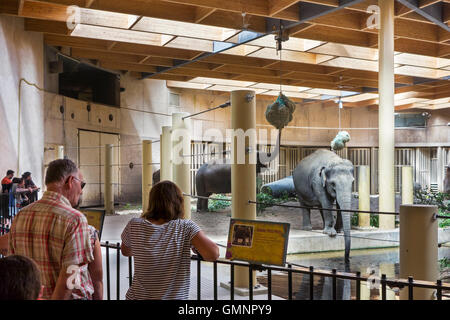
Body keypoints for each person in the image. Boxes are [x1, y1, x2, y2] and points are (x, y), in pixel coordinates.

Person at [8, 159, 94, 300]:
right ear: (70, 181)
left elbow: (15, 267)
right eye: (82, 184)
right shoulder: (75, 219)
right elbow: (70, 277)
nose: (81, 191)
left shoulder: (21, 215)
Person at [121, 180, 219, 300]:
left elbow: (125, 251)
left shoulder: (134, 224)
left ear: (152, 202)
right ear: (178, 202)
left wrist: (145, 252)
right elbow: (213, 254)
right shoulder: (185, 227)